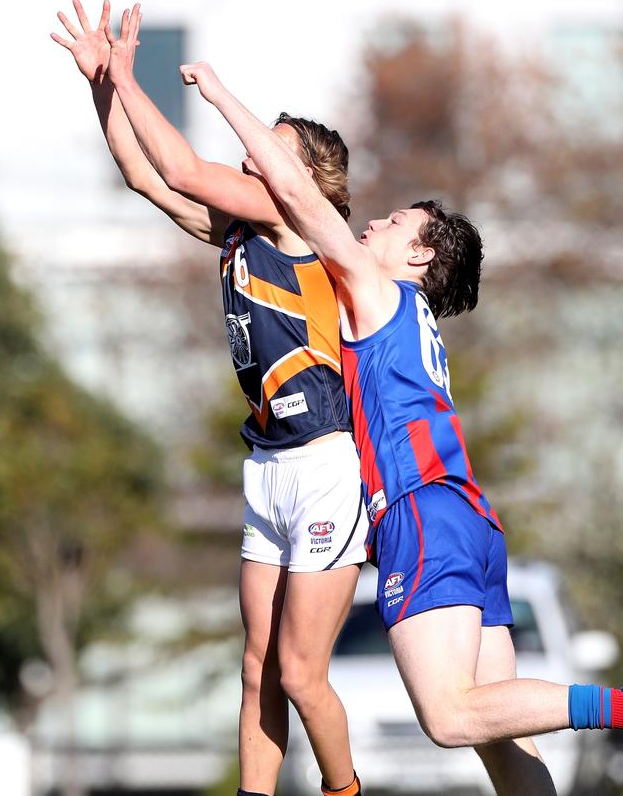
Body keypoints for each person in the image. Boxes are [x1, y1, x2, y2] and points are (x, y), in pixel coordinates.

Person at [179, 60, 623, 796]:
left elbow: (293, 192)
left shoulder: (377, 287)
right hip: (472, 516)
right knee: (503, 741)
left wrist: (224, 96)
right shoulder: (414, 321)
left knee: (449, 717)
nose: (374, 223)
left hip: (421, 510)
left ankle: (612, 704)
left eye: (396, 224)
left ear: (419, 257)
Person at [51, 0, 367, 796]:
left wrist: (131, 75)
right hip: (266, 465)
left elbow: (188, 165)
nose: (255, 156)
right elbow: (145, 174)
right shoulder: (238, 230)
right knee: (256, 664)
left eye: (274, 149)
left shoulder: (303, 219)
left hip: (326, 464)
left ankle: (343, 788)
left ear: (308, 176)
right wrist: (103, 87)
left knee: (299, 672)